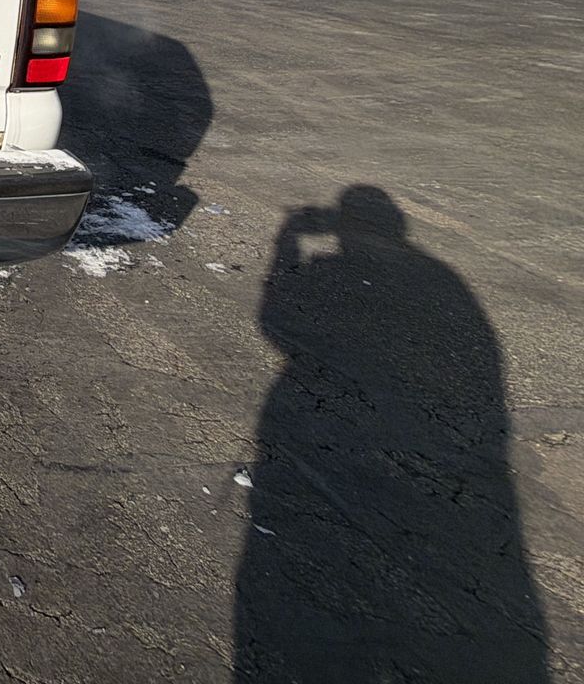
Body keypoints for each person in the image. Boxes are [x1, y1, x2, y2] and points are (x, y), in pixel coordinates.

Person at [235, 185, 548, 680]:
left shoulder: (374, 273)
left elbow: (274, 318)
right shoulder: (443, 278)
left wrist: (289, 237)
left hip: (341, 426)